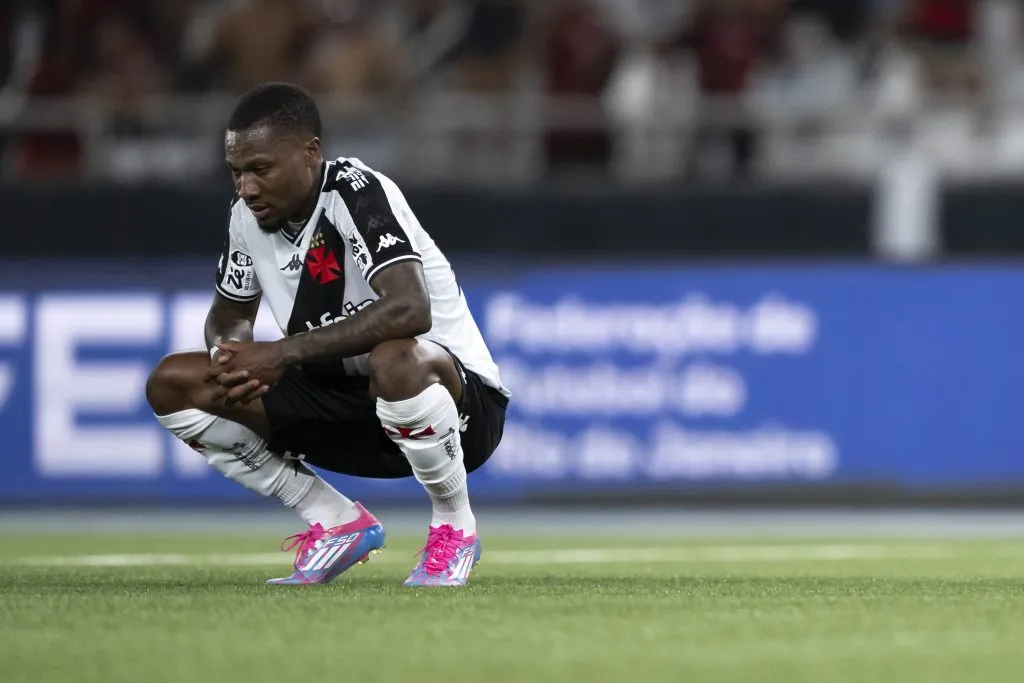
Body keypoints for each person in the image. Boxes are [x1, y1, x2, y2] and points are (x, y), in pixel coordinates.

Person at [145, 82, 509, 588]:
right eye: (236, 172)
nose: (246, 188)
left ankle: (454, 525)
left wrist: (280, 354)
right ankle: (335, 521)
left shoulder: (357, 194)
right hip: (344, 409)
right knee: (175, 383)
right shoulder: (244, 220)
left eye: (260, 169)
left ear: (310, 153)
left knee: (395, 358)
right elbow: (228, 317)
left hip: (458, 409)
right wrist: (228, 357)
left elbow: (410, 307)